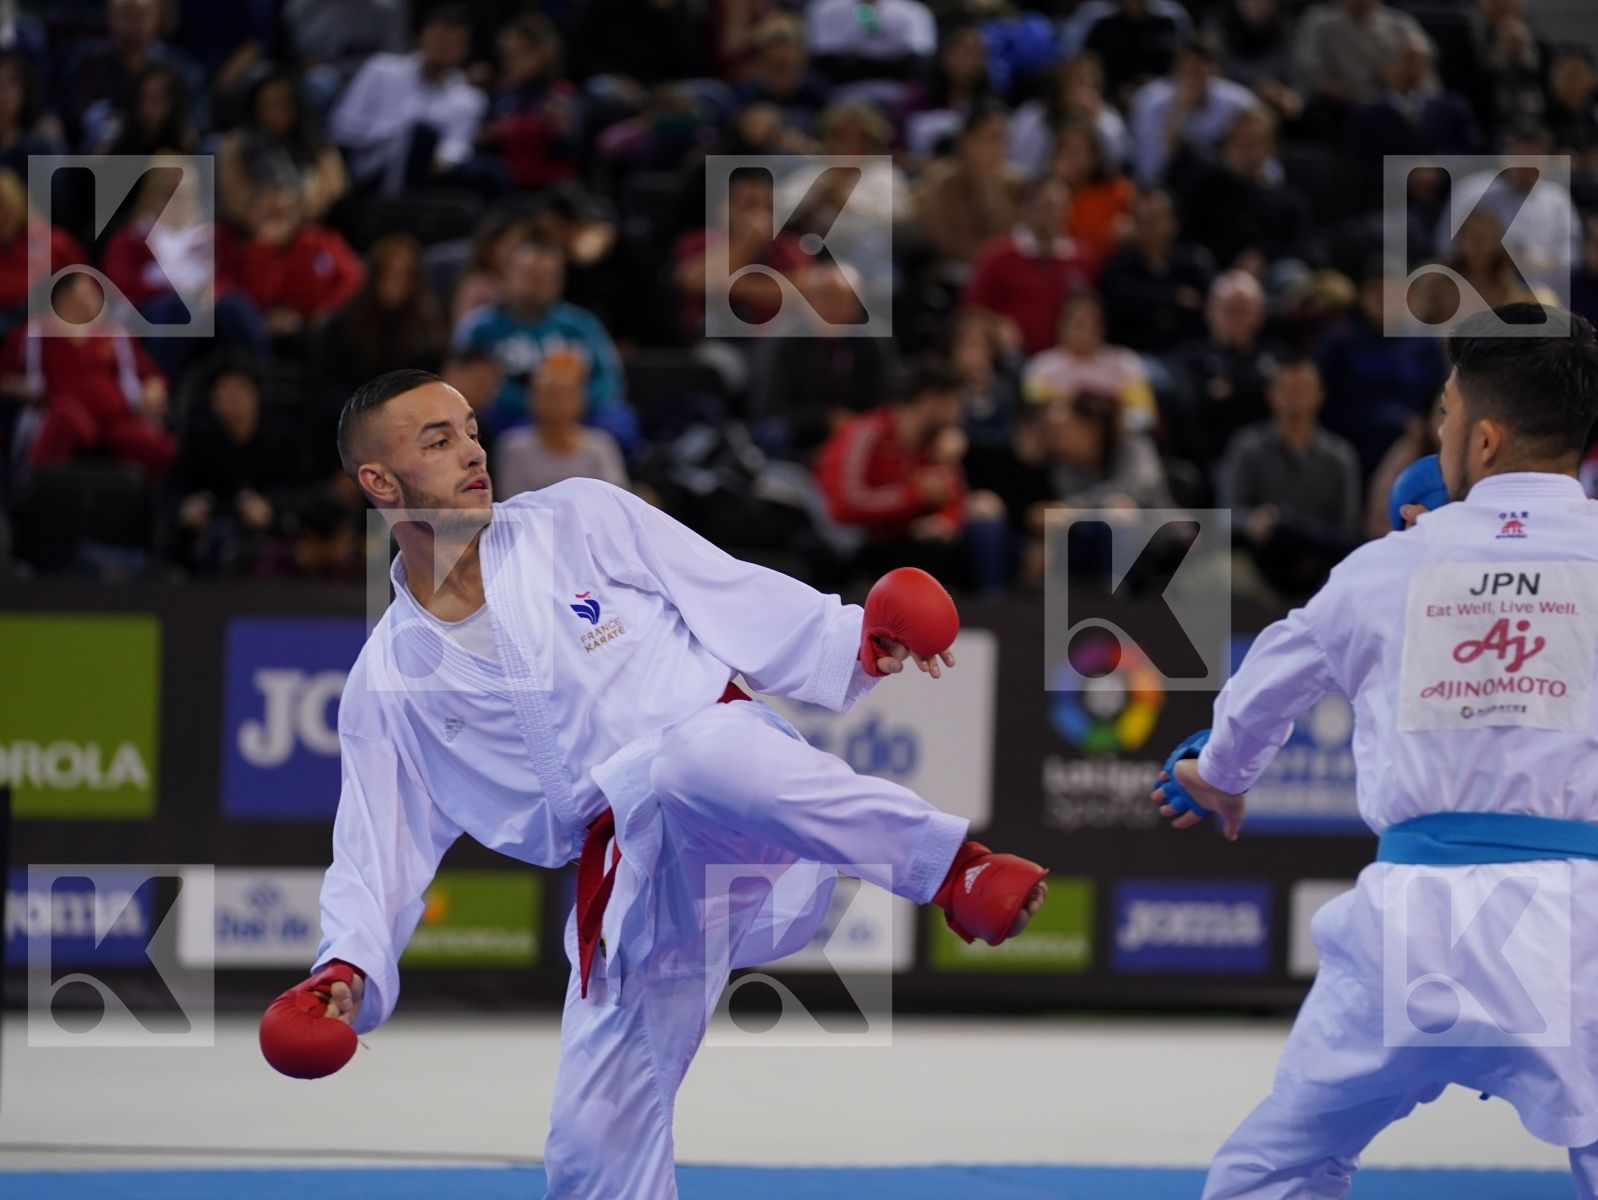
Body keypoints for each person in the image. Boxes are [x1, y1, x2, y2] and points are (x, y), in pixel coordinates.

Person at [259, 367, 1049, 1198]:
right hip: (644, 891)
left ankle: (954, 869)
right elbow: (375, 846)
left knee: (687, 761)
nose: (472, 452)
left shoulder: (579, 517)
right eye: (438, 440)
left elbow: (726, 587)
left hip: (756, 826)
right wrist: (342, 968)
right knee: (589, 1141)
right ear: (378, 481)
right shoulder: (387, 681)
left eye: (470, 430)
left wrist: (855, 640)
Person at [1151, 303, 1598, 1199]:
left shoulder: (1383, 568)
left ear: (1483, 441)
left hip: (1410, 928)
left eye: (1444, 413)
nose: (1439, 430)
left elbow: (1261, 691)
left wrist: (1218, 776)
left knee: (1271, 1172)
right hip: (1580, 925)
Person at [1216, 354, 1362, 599]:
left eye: (1303, 391)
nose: (1295, 401)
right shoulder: (1247, 447)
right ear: (1271, 395)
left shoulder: (1341, 456)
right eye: (1287, 391)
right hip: (1259, 563)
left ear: (1319, 395)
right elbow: (1225, 514)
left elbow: (1348, 528)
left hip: (1322, 566)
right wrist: (1252, 520)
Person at [491, 349, 629, 496]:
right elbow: (512, 504)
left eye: (563, 395)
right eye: (548, 394)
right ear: (532, 399)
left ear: (579, 400)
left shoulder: (601, 446)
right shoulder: (513, 447)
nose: (555, 403)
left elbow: (615, 499)